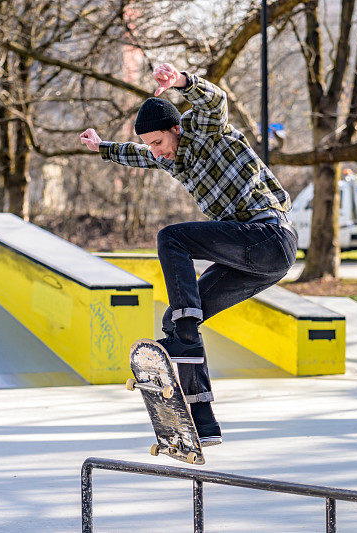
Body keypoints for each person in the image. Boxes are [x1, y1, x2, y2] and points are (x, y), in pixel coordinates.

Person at [79, 63, 297, 446]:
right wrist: (102, 148)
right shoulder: (170, 157)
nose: (157, 153)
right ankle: (203, 422)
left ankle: (184, 338)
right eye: (151, 146)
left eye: (159, 142)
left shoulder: (204, 131)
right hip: (252, 261)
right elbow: (137, 154)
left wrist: (181, 81)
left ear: (176, 129)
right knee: (180, 323)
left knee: (172, 239)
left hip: (269, 236)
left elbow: (215, 101)